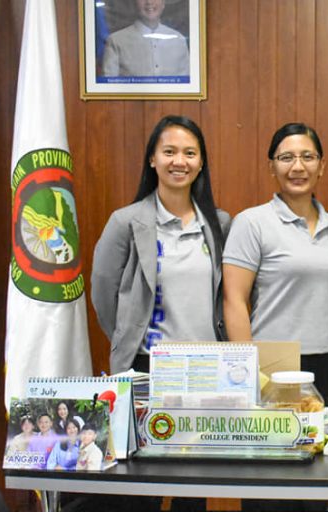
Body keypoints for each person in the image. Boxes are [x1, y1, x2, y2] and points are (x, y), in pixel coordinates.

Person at [92, 115, 231, 374]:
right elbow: (103, 295)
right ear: (152, 159)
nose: (179, 161)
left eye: (190, 153)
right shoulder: (125, 223)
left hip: (212, 364)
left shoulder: (220, 225)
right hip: (149, 365)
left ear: (201, 163)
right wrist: (129, 337)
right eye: (169, 152)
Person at [223, 123, 328, 407]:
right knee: (276, 448)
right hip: (271, 361)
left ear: (321, 165)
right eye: (286, 158)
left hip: (325, 358)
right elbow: (234, 300)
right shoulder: (251, 222)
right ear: (272, 167)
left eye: (308, 157)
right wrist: (248, 369)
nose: (298, 166)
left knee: (318, 445)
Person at [101, 0, 190, 78]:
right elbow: (108, 89)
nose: (149, 2)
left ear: (163, 3)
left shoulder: (179, 40)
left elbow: (188, 88)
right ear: (135, 3)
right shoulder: (116, 41)